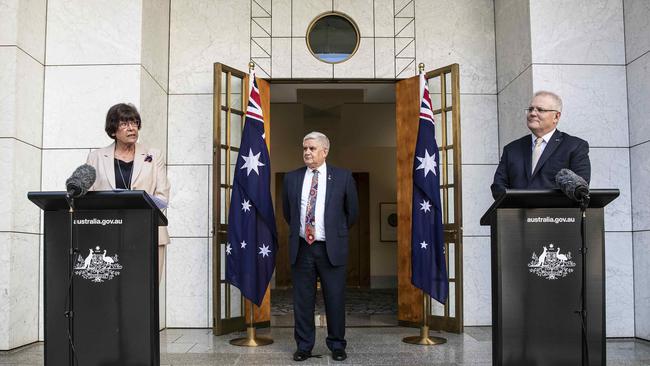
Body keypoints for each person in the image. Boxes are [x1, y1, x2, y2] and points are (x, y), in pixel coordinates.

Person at [282, 132, 358, 362]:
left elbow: (352, 213)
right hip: (302, 247)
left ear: (325, 151)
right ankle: (304, 346)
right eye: (305, 148)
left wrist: (335, 232)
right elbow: (289, 213)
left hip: (330, 248)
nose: (307, 152)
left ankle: (337, 345)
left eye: (312, 148)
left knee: (334, 298)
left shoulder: (343, 177)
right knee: (302, 300)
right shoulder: (291, 178)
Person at [86, 103, 171, 280]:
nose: (131, 128)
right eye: (124, 124)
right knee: (112, 294)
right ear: (113, 130)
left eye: (134, 122)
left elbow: (162, 195)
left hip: (148, 234)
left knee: (146, 293)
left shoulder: (154, 155)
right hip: (109, 235)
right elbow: (89, 196)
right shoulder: (96, 157)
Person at [491, 91, 591, 198]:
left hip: (556, 213)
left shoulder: (575, 146)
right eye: (530, 109)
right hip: (518, 212)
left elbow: (580, 187)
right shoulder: (511, 149)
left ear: (556, 117)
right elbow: (498, 186)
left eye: (540, 110)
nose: (533, 113)